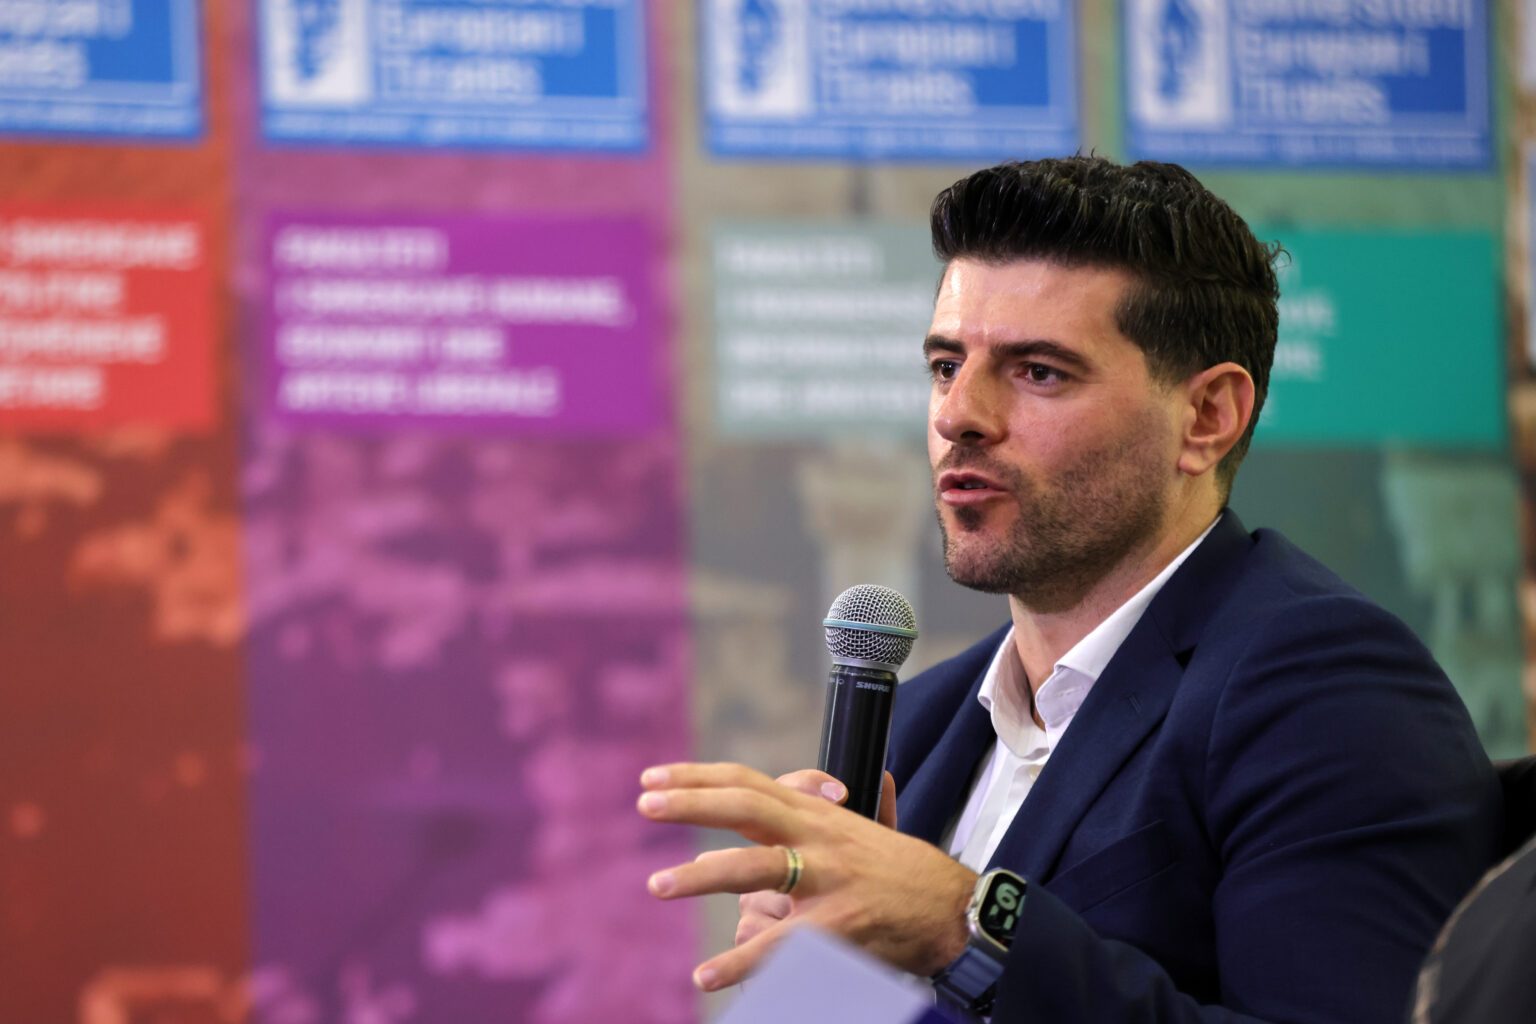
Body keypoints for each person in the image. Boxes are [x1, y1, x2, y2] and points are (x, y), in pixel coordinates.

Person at [637, 157, 1502, 1023]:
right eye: (946, 365)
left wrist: (960, 924)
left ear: (1207, 417)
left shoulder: (1325, 688)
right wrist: (823, 983)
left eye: (1039, 371)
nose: (958, 414)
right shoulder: (922, 723)